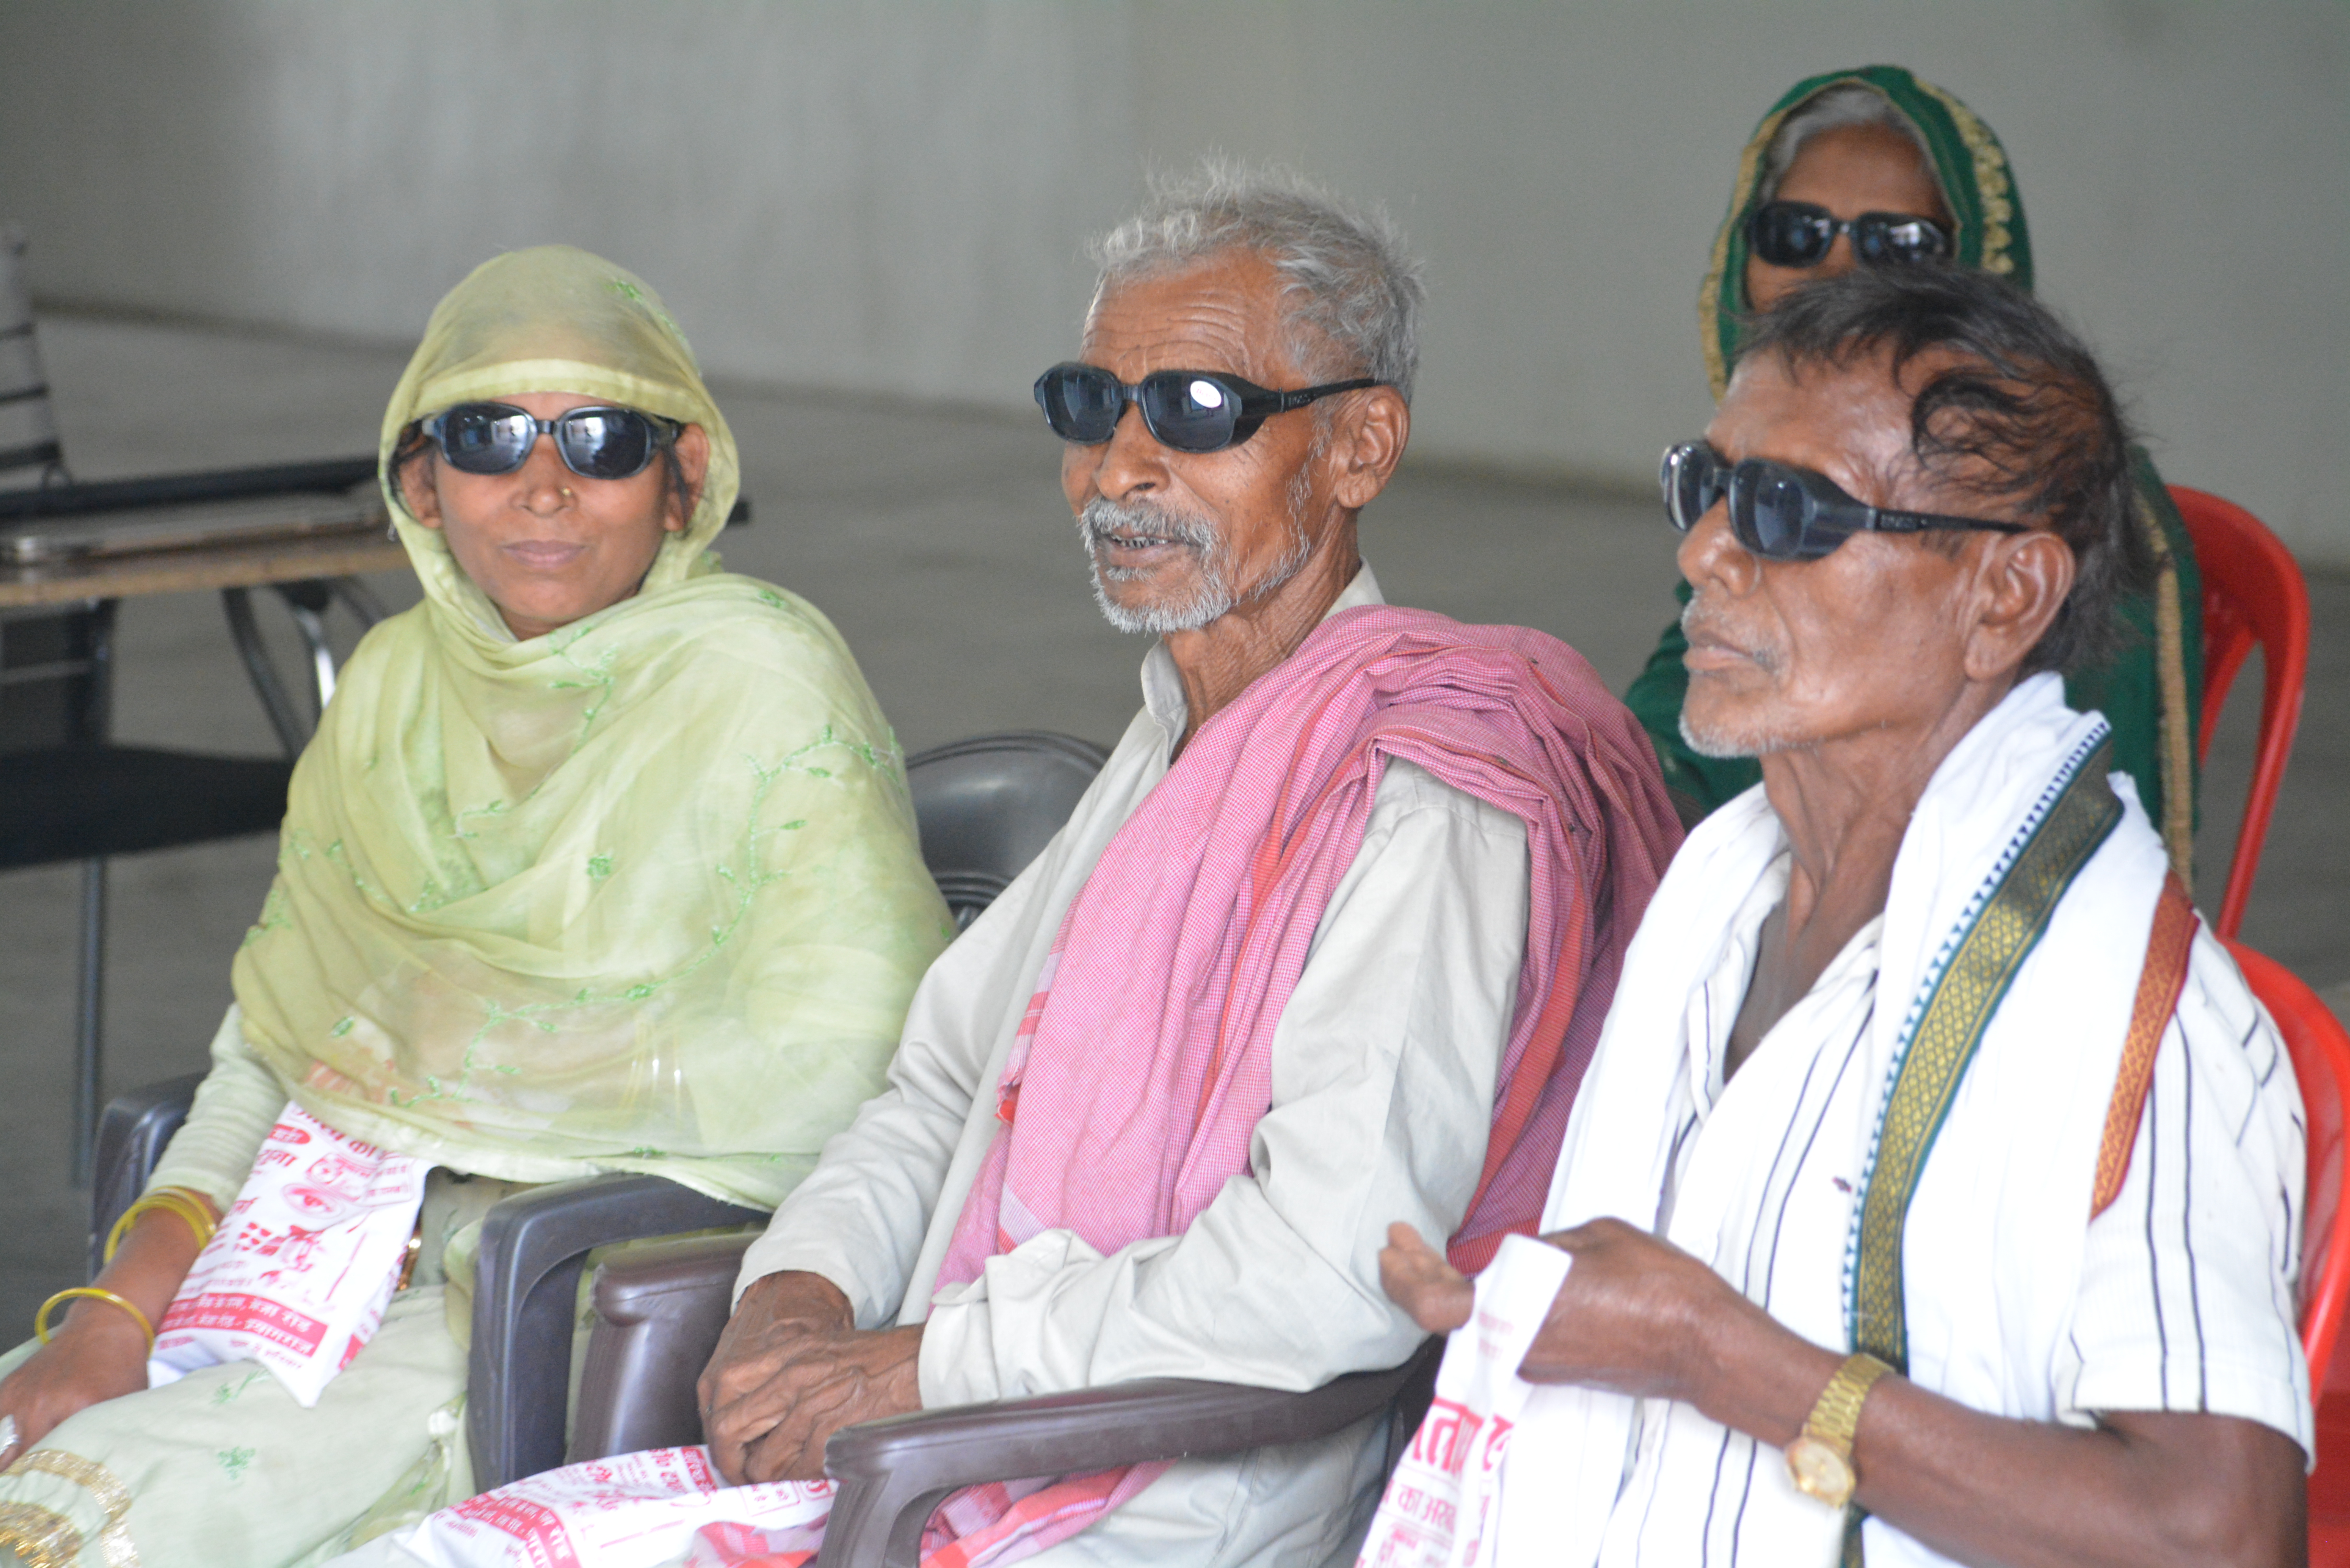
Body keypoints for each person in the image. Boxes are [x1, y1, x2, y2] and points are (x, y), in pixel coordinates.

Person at [695, 167, 1683, 1568]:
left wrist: (921, 1368)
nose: (1124, 467)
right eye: (1093, 407)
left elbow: (1330, 1275)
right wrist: (800, 1291)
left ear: (1358, 449)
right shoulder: (1182, 729)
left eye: (1202, 412)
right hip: (920, 1465)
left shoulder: (1428, 798)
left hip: (1160, 1513)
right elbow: (945, 1085)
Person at [0, 246, 951, 1566]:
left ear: (683, 483)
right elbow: (273, 1055)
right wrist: (112, 1313)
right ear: (419, 485)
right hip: (306, 1259)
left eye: (602, 437)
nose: (544, 484)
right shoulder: (392, 694)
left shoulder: (763, 685)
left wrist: (498, 1076)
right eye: (489, 435)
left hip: (544, 1304)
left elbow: (855, 1080)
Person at [1381, 266, 2307, 1568]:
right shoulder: (1718, 894)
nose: (1705, 551)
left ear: (2006, 597)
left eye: (1790, 509)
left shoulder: (2136, 1021)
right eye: (1705, 488)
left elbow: (2216, 1534)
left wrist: (1708, 1355)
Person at [1624, 65, 2203, 884]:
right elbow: (1682, 692)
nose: (1834, 272)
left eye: (1895, 244)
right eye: (1796, 233)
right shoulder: (1749, 466)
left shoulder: (2057, 508)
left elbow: (2083, 820)